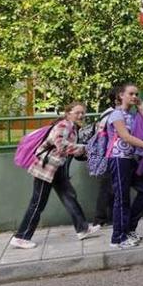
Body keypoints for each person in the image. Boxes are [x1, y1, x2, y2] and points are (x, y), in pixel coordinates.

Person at [10, 102, 100, 249]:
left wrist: (81, 150)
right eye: (77, 112)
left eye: (83, 112)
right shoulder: (64, 125)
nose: (81, 115)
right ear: (68, 113)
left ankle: (83, 229)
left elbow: (67, 149)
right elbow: (62, 146)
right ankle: (21, 237)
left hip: (56, 167)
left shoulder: (71, 126)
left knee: (69, 196)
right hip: (46, 168)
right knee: (38, 203)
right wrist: (85, 148)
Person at [107, 83, 143, 249]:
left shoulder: (131, 115)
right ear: (120, 95)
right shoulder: (116, 115)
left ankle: (129, 229)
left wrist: (141, 109)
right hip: (118, 159)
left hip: (130, 160)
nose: (134, 97)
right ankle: (117, 238)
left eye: (136, 94)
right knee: (122, 198)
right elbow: (126, 137)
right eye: (131, 94)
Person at [92, 86, 119, 228]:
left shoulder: (107, 113)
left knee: (109, 187)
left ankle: (107, 218)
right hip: (108, 155)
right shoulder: (112, 115)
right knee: (107, 187)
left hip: (107, 155)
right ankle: (100, 219)